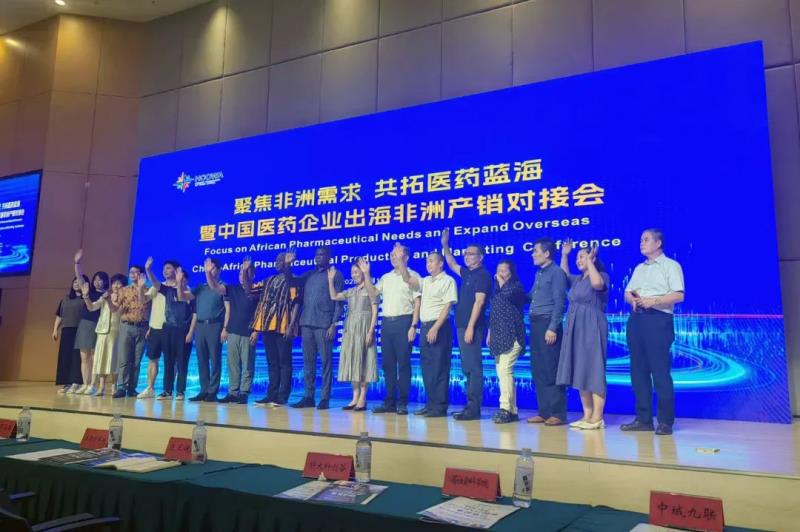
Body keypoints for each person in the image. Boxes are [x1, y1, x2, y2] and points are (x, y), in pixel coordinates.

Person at [622, 229, 684, 436]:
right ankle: (643, 419)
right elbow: (627, 292)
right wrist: (633, 300)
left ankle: (665, 421)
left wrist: (653, 301)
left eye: (646, 240)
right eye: (641, 240)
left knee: (659, 371)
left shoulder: (671, 266)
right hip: (637, 319)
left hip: (659, 319)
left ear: (658, 243)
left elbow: (678, 295)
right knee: (638, 371)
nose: (642, 243)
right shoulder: (639, 268)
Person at [556, 240, 609, 430]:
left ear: (592, 258)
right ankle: (587, 415)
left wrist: (590, 263)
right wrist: (565, 255)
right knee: (580, 369)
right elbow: (563, 276)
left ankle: (597, 417)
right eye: (577, 257)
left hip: (592, 325)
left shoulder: (601, 276)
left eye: (582, 257)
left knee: (594, 369)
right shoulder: (577, 280)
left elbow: (597, 284)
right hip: (575, 326)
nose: (578, 260)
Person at [363, 244, 421, 416]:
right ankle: (389, 401)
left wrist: (413, 325)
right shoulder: (386, 277)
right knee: (388, 365)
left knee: (403, 364)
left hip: (404, 322)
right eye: (392, 255)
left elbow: (417, 303)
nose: (393, 257)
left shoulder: (413, 276)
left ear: (406, 257)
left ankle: (402, 402)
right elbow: (373, 293)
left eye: (397, 255)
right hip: (387, 323)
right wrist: (366, 274)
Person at [441, 229, 492, 421]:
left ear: (480, 257)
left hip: (473, 328)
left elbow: (479, 302)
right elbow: (452, 263)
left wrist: (470, 327)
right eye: (466, 253)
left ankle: (474, 408)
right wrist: (445, 245)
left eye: (471, 254)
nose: (467, 256)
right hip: (462, 326)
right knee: (467, 367)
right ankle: (469, 406)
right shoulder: (468, 274)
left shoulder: (482, 276)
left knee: (473, 368)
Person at [290, 247, 344, 410]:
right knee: (308, 363)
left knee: (326, 363)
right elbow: (292, 281)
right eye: (316, 255)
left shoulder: (335, 275)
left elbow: (339, 302)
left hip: (324, 325)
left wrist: (334, 324)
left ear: (329, 257)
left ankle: (325, 398)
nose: (318, 257)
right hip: (307, 323)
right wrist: (287, 266)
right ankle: (309, 396)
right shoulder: (309, 275)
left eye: (322, 255)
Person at [249, 253, 301, 406]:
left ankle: (282, 396)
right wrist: (245, 272)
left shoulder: (293, 280)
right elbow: (249, 289)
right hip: (267, 326)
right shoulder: (269, 280)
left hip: (283, 326)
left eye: (281, 260)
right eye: (277, 260)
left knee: (284, 362)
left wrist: (291, 325)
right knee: (272, 362)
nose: (277, 262)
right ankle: (271, 394)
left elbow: (297, 303)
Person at [527, 238, 569, 426]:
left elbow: (560, 302)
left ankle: (558, 413)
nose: (533, 254)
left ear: (547, 253)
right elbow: (531, 297)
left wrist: (552, 327)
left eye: (536, 251)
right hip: (536, 324)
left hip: (548, 325)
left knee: (551, 368)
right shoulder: (539, 273)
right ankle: (543, 412)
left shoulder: (557, 272)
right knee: (538, 369)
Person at [208, 256, 259, 405]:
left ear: (253, 274)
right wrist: (208, 273)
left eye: (246, 273)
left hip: (248, 333)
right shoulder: (232, 289)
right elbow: (215, 287)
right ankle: (233, 392)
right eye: (240, 273)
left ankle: (244, 392)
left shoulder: (257, 290)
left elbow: (260, 313)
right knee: (233, 364)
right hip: (233, 332)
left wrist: (257, 331)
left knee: (247, 365)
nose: (242, 276)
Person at [328, 261, 378, 411]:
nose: (354, 275)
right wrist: (330, 280)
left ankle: (363, 398)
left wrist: (370, 331)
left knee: (364, 362)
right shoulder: (351, 291)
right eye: (352, 272)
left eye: (356, 272)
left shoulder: (371, 289)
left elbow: (375, 311)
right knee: (353, 362)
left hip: (364, 329)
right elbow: (334, 296)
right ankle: (355, 397)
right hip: (351, 330)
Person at [142, 258, 195, 400]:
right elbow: (156, 284)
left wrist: (191, 332)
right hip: (168, 329)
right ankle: (167, 391)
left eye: (183, 278)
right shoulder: (167, 290)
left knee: (181, 361)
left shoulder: (190, 293)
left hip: (183, 331)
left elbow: (188, 305)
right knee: (168, 361)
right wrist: (148, 270)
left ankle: (180, 391)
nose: (165, 271)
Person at [178, 258, 229, 402]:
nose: (210, 270)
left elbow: (226, 307)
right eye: (208, 268)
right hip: (200, 326)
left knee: (215, 359)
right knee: (202, 360)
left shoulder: (222, 286)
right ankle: (204, 390)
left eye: (213, 268)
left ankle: (212, 391)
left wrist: (225, 328)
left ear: (219, 270)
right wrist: (179, 283)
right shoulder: (201, 287)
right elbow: (182, 297)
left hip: (215, 325)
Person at [417, 252, 457, 418]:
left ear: (441, 263)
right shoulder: (426, 281)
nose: (428, 264)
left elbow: (447, 307)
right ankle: (430, 404)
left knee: (439, 368)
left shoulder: (448, 281)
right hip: (425, 327)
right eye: (427, 261)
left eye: (431, 261)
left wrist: (435, 328)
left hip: (439, 327)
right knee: (427, 368)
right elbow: (409, 280)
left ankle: (439, 407)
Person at [487, 259, 527, 424]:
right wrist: (490, 333)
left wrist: (502, 282)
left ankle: (505, 408)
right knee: (502, 373)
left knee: (505, 370)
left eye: (504, 270)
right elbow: (494, 314)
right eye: (498, 270)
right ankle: (512, 410)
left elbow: (509, 295)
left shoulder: (516, 288)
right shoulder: (496, 291)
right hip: (498, 337)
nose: (500, 273)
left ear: (511, 272)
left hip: (512, 336)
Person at [81, 273, 126, 396]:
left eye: (119, 283)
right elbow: (92, 307)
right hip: (102, 331)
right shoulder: (106, 295)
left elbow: (115, 309)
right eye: (114, 283)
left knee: (114, 360)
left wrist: (108, 300)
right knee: (102, 359)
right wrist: (86, 297)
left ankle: (114, 386)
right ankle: (101, 387)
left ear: (123, 285)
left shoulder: (125, 298)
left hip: (116, 331)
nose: (116, 285)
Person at [72, 249, 109, 394]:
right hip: (85, 324)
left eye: (100, 279)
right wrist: (77, 263)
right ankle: (85, 383)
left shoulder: (107, 295)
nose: (97, 282)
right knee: (84, 357)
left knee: (94, 357)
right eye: (95, 279)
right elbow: (79, 277)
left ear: (105, 281)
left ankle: (93, 385)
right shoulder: (88, 291)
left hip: (98, 325)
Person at [112, 265, 150, 399]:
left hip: (142, 327)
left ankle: (132, 388)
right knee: (124, 359)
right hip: (126, 326)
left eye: (136, 272)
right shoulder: (124, 290)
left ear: (142, 275)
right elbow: (115, 309)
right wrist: (109, 300)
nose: (133, 274)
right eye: (131, 272)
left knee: (137, 360)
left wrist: (140, 288)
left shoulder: (148, 290)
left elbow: (148, 307)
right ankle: (121, 387)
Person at [138, 258, 169, 399]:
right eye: (164, 268)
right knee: (152, 359)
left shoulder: (180, 287)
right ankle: (150, 388)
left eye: (168, 268)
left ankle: (168, 390)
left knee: (170, 361)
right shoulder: (157, 287)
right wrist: (140, 288)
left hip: (171, 329)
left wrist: (148, 270)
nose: (165, 271)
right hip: (155, 328)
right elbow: (143, 300)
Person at [53, 276, 88, 394]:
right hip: (66, 330)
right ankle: (66, 383)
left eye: (79, 282)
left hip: (80, 330)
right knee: (65, 357)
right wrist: (55, 330)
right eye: (74, 281)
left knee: (77, 357)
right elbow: (59, 315)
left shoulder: (85, 299)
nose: (76, 283)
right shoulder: (65, 298)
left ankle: (76, 383)